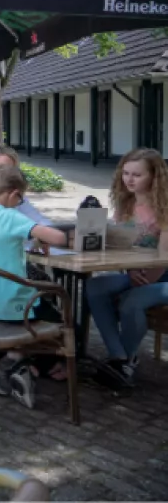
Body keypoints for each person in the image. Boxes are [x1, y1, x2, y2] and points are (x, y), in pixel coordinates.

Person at [0, 165, 69, 408]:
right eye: (20, 199)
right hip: (15, 307)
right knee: (60, 319)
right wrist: (42, 235)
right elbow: (59, 238)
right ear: (13, 193)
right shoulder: (10, 217)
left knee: (39, 304)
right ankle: (18, 362)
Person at [87, 148, 168, 389]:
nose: (129, 180)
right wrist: (130, 271)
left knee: (131, 301)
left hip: (162, 275)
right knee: (94, 287)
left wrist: (141, 277)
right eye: (126, 173)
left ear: (154, 176)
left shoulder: (165, 207)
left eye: (137, 175)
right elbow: (121, 246)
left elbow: (165, 256)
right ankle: (120, 358)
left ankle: (123, 362)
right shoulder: (126, 204)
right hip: (136, 272)